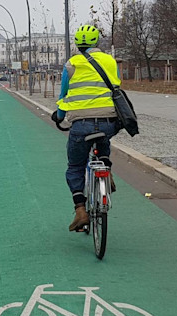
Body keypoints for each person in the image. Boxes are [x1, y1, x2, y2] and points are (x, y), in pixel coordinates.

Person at [51, 25, 121, 232]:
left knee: (75, 166)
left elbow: (64, 95)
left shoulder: (71, 64)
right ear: (97, 42)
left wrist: (60, 115)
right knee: (103, 141)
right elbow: (116, 86)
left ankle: (80, 209)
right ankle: (106, 171)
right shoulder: (109, 61)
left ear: (78, 44)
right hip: (108, 121)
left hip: (81, 125)